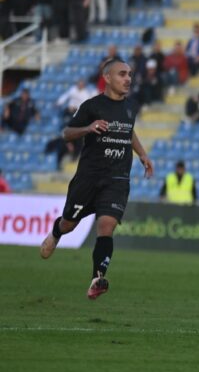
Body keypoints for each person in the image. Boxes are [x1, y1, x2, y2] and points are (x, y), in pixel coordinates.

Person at [39, 58, 154, 301]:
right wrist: (88, 128)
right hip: (89, 177)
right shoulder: (91, 106)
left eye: (130, 74)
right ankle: (56, 233)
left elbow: (128, 130)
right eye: (122, 74)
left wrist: (142, 154)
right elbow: (67, 133)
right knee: (69, 224)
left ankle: (97, 279)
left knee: (106, 225)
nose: (128, 79)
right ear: (107, 78)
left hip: (117, 178)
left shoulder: (131, 107)